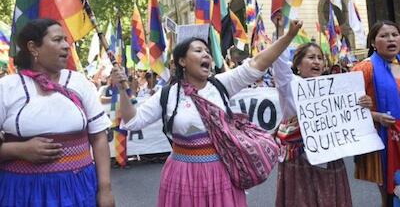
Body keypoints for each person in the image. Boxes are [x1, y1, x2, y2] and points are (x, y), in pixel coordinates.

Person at [111, 20, 303, 207]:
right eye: (198, 50)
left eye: (207, 52)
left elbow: (257, 62)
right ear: (182, 61)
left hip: (221, 173)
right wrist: (121, 89)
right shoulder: (168, 94)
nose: (207, 55)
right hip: (182, 176)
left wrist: (288, 37)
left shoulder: (221, 85)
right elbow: (133, 121)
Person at [0, 19, 114, 207]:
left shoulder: (79, 83)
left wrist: (105, 190)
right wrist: (18, 150)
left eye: (66, 40)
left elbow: (99, 137)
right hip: (22, 191)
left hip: (78, 189)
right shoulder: (7, 87)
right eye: (57, 40)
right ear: (33, 47)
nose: (66, 46)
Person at [272, 15, 372, 207]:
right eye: (311, 58)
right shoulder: (290, 84)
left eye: (320, 58)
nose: (317, 62)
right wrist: (282, 33)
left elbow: (350, 115)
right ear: (298, 65)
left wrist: (364, 103)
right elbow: (278, 62)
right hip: (300, 159)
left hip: (330, 156)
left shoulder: (335, 87)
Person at [352, 20, 400, 207]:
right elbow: (345, 107)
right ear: (373, 42)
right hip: (382, 141)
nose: (391, 39)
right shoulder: (364, 69)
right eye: (384, 36)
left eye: (394, 35)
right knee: (392, 195)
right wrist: (376, 116)